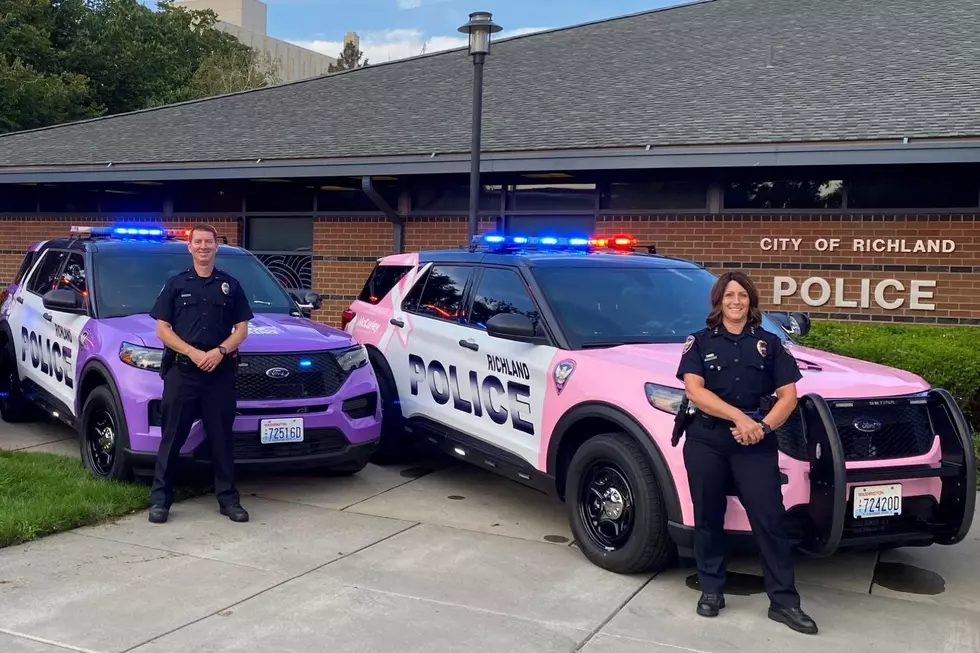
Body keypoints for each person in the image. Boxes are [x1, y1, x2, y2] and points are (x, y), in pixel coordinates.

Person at [675, 271, 817, 635]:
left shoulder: (770, 345)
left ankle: (784, 602)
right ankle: (711, 589)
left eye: (742, 296)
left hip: (756, 441)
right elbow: (695, 391)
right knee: (708, 515)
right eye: (729, 296)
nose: (736, 301)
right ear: (718, 302)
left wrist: (763, 428)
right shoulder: (699, 342)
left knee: (770, 519)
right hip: (707, 439)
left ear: (751, 302)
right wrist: (741, 418)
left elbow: (789, 397)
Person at [147, 224, 254, 524]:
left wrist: (219, 352)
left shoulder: (230, 285)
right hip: (183, 373)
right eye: (198, 242)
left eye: (209, 242)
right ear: (189, 247)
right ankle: (160, 501)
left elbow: (242, 328)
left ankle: (229, 501)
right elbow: (162, 329)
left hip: (218, 374)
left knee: (222, 439)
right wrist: (193, 353)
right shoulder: (176, 285)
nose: (204, 247)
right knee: (172, 439)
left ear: (217, 246)